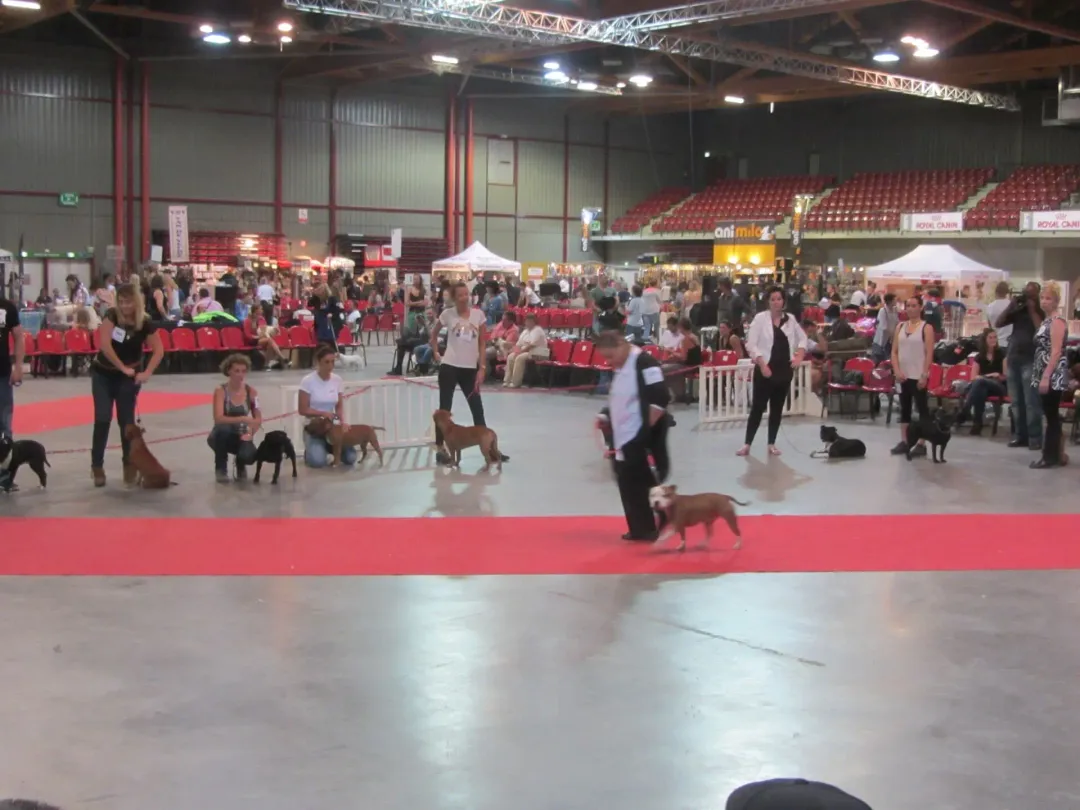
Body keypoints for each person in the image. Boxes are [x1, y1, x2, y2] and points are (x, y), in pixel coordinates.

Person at [594, 330, 671, 542]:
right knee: (627, 479)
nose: (609, 362)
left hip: (639, 432)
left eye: (610, 356)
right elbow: (620, 397)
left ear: (621, 345)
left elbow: (660, 397)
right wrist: (606, 414)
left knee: (637, 479)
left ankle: (653, 522)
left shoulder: (645, 363)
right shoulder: (622, 367)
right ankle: (641, 526)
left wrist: (644, 430)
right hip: (622, 433)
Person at [90, 284, 165, 487]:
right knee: (102, 418)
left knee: (127, 422)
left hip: (128, 377)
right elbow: (104, 345)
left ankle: (129, 464)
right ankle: (97, 466)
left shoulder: (145, 322)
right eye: (121, 302)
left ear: (136, 302)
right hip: (103, 374)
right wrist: (121, 367)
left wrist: (147, 372)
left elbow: (158, 350)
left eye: (128, 302)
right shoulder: (112, 316)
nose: (124, 306)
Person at [431, 281, 508, 464]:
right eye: (460, 295)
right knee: (444, 411)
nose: (464, 298)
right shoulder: (447, 314)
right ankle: (441, 448)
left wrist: (482, 367)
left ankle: (490, 448)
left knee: (477, 408)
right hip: (449, 366)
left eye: (466, 294)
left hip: (469, 369)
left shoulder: (478, 315)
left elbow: (482, 343)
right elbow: (434, 334)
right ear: (454, 298)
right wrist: (435, 351)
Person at [738, 286, 808, 457]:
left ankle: (771, 444)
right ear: (768, 302)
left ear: (784, 301)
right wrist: (762, 364)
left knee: (777, 408)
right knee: (758, 407)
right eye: (773, 299)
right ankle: (747, 444)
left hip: (784, 370)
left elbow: (803, 339)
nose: (776, 302)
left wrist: (799, 356)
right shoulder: (760, 319)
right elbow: (751, 344)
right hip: (765, 369)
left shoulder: (790, 319)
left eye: (779, 299)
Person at [996, 281, 1044, 451]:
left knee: (1031, 401)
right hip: (1013, 357)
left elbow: (1040, 329)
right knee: (1016, 402)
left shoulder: (1040, 310)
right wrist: (1012, 306)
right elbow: (998, 323)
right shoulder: (1018, 308)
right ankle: (1020, 435)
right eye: (1026, 292)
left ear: (1037, 294)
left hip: (1031, 358)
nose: (1028, 296)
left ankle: (1035, 437)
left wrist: (1032, 309)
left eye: (1031, 293)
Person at [297, 345, 357, 468]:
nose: (330, 366)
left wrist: (343, 422)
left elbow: (339, 406)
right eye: (327, 362)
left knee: (350, 458)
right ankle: (313, 449)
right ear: (318, 362)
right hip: (315, 426)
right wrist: (322, 413)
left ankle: (328, 448)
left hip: (332, 426)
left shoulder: (337, 380)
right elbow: (302, 409)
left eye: (333, 362)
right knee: (318, 462)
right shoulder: (307, 381)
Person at [1030, 284, 1069, 469]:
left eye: (1048, 298)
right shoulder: (1046, 321)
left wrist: (1046, 376)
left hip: (1052, 374)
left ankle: (1049, 456)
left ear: (1056, 301)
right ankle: (1056, 454)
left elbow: (1056, 351)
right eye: (1042, 298)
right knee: (1050, 414)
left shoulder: (1057, 322)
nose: (1044, 301)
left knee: (1051, 415)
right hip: (1042, 371)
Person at [890, 296, 935, 457]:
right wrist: (896, 370)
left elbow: (929, 353)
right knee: (905, 408)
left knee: (922, 409)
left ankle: (921, 443)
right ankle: (905, 441)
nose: (910, 308)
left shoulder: (926, 328)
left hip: (918, 375)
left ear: (920, 307)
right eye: (908, 305)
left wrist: (924, 374)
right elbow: (894, 352)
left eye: (914, 305)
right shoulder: (900, 326)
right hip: (903, 375)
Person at [208, 353, 261, 483]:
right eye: (236, 371)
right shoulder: (221, 391)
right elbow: (218, 418)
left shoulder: (251, 392)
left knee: (249, 456)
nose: (240, 375)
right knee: (223, 430)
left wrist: (250, 433)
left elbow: (258, 419)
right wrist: (242, 418)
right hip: (221, 434)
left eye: (243, 371)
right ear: (229, 371)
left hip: (242, 433)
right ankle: (221, 469)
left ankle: (240, 463)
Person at [956, 328, 1006, 436]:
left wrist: (996, 376)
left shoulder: (1002, 354)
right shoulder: (979, 357)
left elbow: (1005, 376)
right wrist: (989, 376)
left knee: (979, 383)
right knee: (980, 389)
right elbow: (973, 377)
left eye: (995, 337)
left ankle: (966, 411)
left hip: (998, 386)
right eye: (990, 338)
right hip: (983, 386)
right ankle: (977, 425)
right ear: (985, 340)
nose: (993, 340)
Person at [0, 293, 23, 442]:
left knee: (4, 422)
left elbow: (19, 337)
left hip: (2, 373)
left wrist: (18, 366)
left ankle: (4, 452)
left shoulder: (7, 307)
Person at [503, 313, 548, 388]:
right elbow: (518, 344)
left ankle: (516, 382)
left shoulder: (538, 330)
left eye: (530, 321)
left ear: (534, 321)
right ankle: (507, 380)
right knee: (511, 356)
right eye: (527, 321)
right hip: (526, 351)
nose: (527, 322)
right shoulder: (525, 331)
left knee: (520, 358)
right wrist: (516, 351)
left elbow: (531, 345)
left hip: (539, 352)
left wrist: (520, 352)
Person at [389, 309, 431, 376]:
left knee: (403, 343)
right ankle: (398, 368)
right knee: (402, 344)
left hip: (424, 343)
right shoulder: (422, 325)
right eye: (427, 314)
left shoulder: (432, 324)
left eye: (430, 314)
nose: (429, 315)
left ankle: (398, 368)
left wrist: (425, 325)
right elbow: (418, 335)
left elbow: (429, 337)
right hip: (417, 342)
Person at [986, 281, 1012, 348]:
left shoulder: (990, 307)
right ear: (1006, 293)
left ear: (996, 292)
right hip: (1010, 343)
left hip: (996, 343)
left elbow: (990, 327)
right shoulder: (1011, 305)